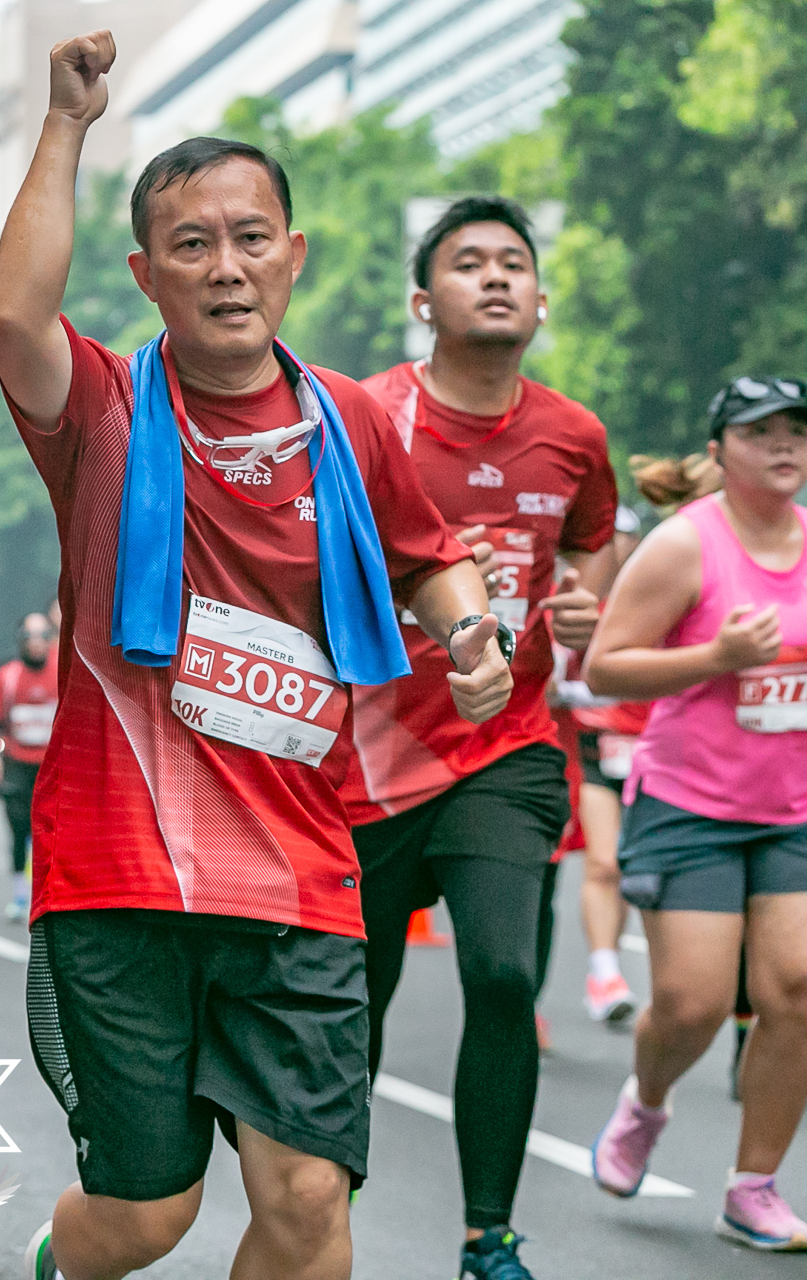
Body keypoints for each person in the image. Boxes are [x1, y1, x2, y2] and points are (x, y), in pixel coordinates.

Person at [0, 33, 508, 1280]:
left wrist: (470, 632)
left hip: (296, 873)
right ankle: (61, 1255)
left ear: (294, 254)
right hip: (120, 873)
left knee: (309, 1198)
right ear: (146, 273)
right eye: (192, 245)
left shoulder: (350, 419)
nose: (227, 267)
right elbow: (14, 313)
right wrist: (65, 123)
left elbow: (429, 555)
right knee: (149, 1215)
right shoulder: (105, 411)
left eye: (251, 238)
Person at [338, 195, 619, 1278]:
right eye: (468, 262)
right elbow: (306, 565)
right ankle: (319, 1216)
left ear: (540, 301)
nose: (496, 276)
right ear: (424, 301)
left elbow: (590, 551)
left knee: (504, 973)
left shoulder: (575, 435)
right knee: (355, 1007)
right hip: (366, 757)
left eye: (514, 262)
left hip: (508, 746)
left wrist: (585, 608)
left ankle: (487, 1236)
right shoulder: (369, 415)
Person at [586, 377, 807, 1252]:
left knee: (796, 989)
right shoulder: (685, 545)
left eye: (796, 430)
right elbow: (606, 666)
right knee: (693, 1002)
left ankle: (753, 1187)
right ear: (719, 452)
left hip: (791, 807)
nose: (784, 444)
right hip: (692, 804)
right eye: (760, 431)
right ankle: (646, 1102)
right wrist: (717, 655)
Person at [555, 504, 651, 1024]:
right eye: (606, 537)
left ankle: (612, 963)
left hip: (649, 748)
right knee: (604, 863)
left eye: (624, 537)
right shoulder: (572, 604)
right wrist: (584, 695)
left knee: (634, 869)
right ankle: (604, 972)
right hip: (595, 746)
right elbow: (549, 678)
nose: (614, 547)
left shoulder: (657, 597)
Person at [0, 612, 59, 921]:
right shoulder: (8, 676)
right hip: (16, 764)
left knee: (50, 833)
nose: (36, 643)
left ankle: (48, 895)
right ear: (21, 641)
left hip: (51, 767)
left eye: (42, 636)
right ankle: (19, 895)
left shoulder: (61, 671)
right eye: (30, 637)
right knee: (18, 829)